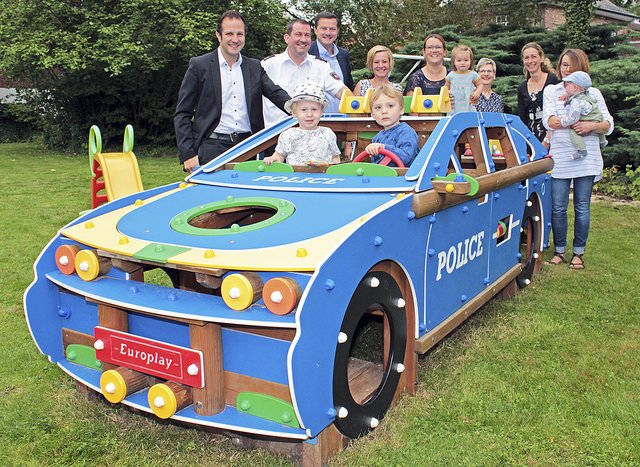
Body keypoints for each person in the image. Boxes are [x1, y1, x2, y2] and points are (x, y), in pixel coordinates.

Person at [174, 10, 290, 172]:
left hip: (248, 148)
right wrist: (187, 153)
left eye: (239, 34)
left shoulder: (255, 67)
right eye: (229, 33)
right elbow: (183, 113)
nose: (235, 39)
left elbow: (277, 94)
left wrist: (300, 108)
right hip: (211, 148)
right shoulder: (199, 66)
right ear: (218, 35)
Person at [542, 48, 614, 270]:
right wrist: (571, 121)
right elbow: (549, 121)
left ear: (581, 68)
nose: (566, 69)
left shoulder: (594, 93)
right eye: (563, 65)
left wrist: (591, 125)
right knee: (558, 207)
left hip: (587, 157)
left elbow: (608, 124)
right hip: (561, 156)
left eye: (571, 65)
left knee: (582, 206)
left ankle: (579, 254)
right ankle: (560, 251)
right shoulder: (552, 91)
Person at [262, 19, 351, 127]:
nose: (303, 39)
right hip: (274, 137)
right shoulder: (268, 65)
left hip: (311, 136)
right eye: (298, 34)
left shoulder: (321, 66)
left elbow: (343, 92)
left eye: (307, 35)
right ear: (287, 38)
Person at [263, 83, 340, 166]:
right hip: (295, 177)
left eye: (314, 109)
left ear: (321, 111)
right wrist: (273, 159)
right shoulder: (288, 135)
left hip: (322, 177)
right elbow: (279, 156)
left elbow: (335, 157)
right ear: (294, 112)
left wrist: (335, 168)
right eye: (303, 110)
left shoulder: (328, 133)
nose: (309, 114)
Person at [308, 11, 354, 112]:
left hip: (342, 120)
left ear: (337, 31)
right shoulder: (306, 53)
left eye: (332, 29)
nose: (328, 33)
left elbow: (349, 86)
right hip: (314, 119)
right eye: (323, 28)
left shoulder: (343, 55)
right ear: (315, 30)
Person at [517, 42, 559, 148]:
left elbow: (559, 112)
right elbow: (523, 120)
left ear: (541, 58)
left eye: (533, 57)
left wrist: (547, 140)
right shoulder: (522, 88)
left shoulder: (554, 80)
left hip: (554, 142)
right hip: (532, 144)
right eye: (526, 58)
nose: (530, 61)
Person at [364, 84, 419, 167]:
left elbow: (406, 157)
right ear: (372, 114)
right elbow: (376, 164)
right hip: (384, 177)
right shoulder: (377, 138)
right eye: (378, 108)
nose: (384, 111)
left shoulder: (406, 132)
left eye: (390, 106)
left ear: (401, 109)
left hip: (404, 177)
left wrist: (384, 148)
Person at [559, 71, 607, 160]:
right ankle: (603, 141)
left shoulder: (576, 101)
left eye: (567, 85)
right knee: (598, 125)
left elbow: (574, 117)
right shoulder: (587, 95)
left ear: (575, 87)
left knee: (573, 131)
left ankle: (582, 150)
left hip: (588, 118)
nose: (565, 87)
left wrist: (563, 122)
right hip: (597, 117)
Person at [445, 44, 481, 113]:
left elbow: (480, 84)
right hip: (454, 106)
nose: (462, 63)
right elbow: (446, 86)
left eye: (466, 60)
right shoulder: (451, 75)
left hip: (468, 105)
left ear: (470, 61)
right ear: (454, 62)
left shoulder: (473, 74)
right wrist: (447, 92)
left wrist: (477, 92)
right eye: (459, 60)